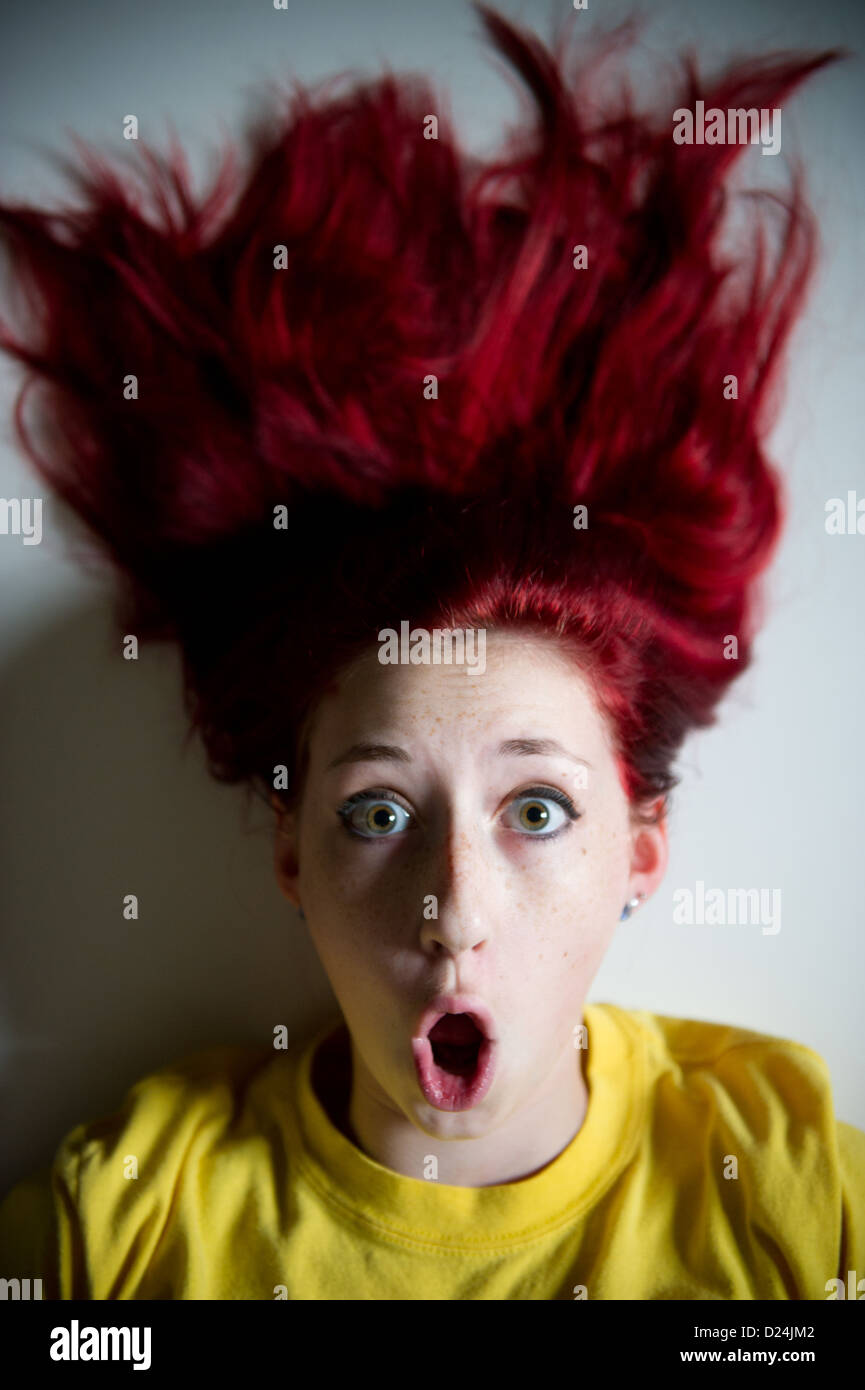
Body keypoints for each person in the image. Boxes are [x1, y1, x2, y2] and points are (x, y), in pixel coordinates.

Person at [0, 3, 861, 1300]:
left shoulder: (791, 1193)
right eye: (378, 807)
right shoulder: (122, 1226)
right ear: (291, 850)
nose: (451, 911)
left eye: (535, 806)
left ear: (641, 850)